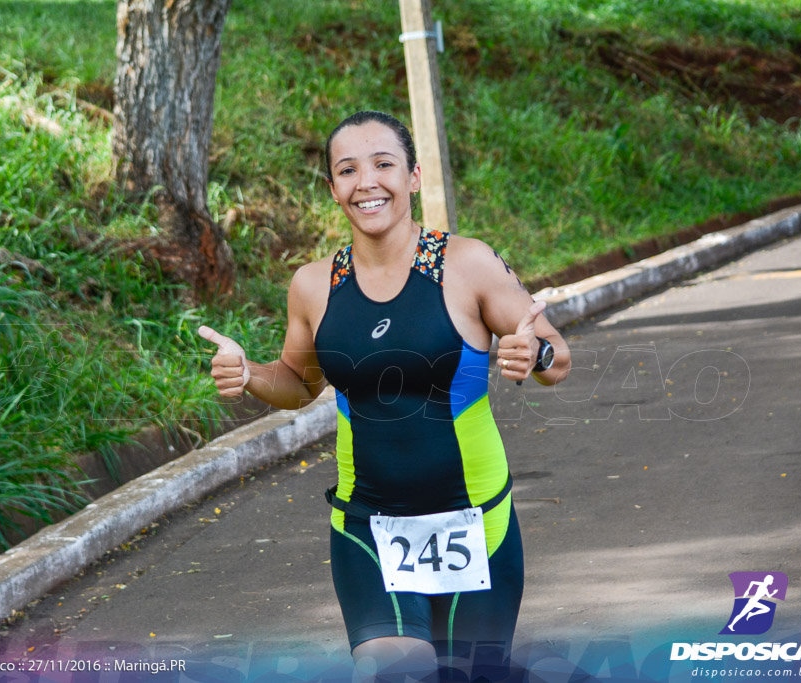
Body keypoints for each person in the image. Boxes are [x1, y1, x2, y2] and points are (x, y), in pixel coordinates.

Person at [199, 111, 571, 682]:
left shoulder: (466, 264)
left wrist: (535, 356)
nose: (366, 182)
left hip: (477, 525)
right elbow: (300, 385)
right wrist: (248, 373)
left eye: (383, 164)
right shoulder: (314, 285)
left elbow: (554, 354)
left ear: (414, 176)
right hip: (368, 528)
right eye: (347, 170)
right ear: (332, 189)